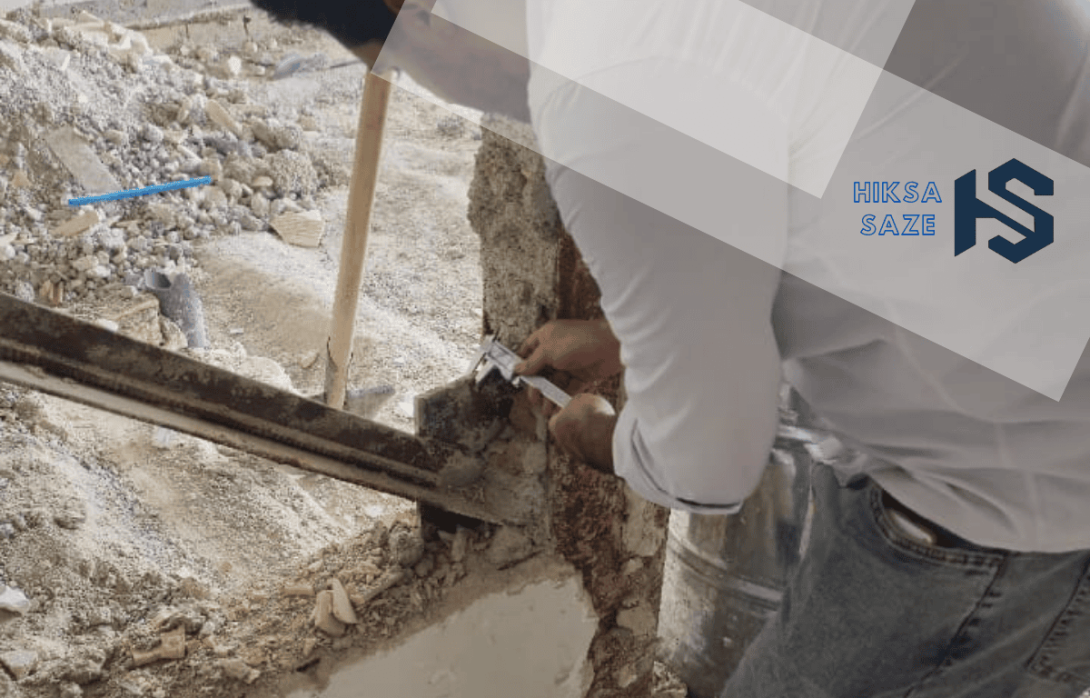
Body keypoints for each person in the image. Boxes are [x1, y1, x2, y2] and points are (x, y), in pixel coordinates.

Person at [247, 1, 1090, 696]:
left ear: (413, 15)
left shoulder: (603, 78)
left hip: (1016, 483)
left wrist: (608, 439)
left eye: (394, 63)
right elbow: (883, 203)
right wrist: (635, 335)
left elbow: (711, 465)